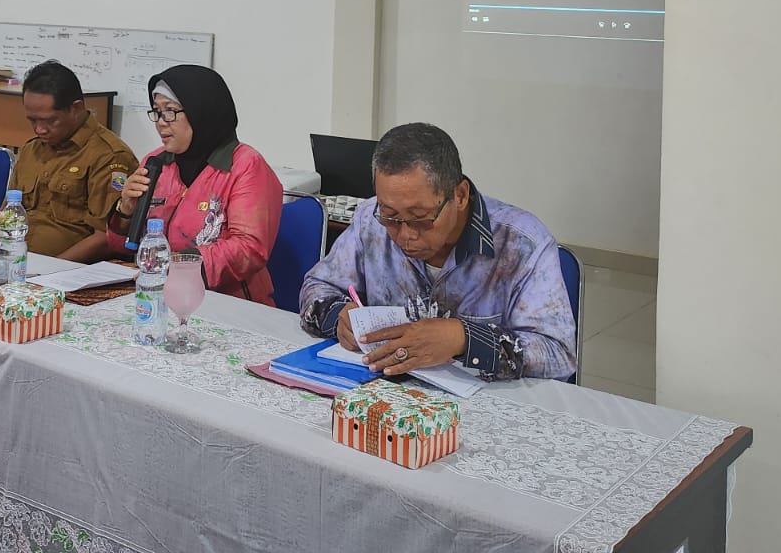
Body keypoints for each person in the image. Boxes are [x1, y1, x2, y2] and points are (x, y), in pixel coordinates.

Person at [298, 122, 577, 381]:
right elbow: (317, 286)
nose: (405, 235)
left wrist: (464, 340)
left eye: (420, 218)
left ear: (460, 195)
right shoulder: (370, 221)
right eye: (391, 216)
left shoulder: (522, 243)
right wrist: (338, 316)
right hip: (386, 392)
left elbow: (559, 354)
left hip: (479, 402)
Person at [109, 65, 283, 305]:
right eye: (157, 112)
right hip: (160, 295)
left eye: (170, 111)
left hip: (227, 303)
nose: (161, 122)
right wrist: (126, 210)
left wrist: (179, 267)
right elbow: (125, 247)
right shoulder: (155, 162)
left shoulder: (246, 166)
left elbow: (248, 249)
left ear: (201, 111)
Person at [5, 60, 138, 262]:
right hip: (17, 261)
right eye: (32, 120)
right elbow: (8, 212)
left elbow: (105, 237)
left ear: (76, 108)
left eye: (50, 120)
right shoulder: (32, 150)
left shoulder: (109, 156)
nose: (39, 129)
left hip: (66, 270)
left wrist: (49, 271)